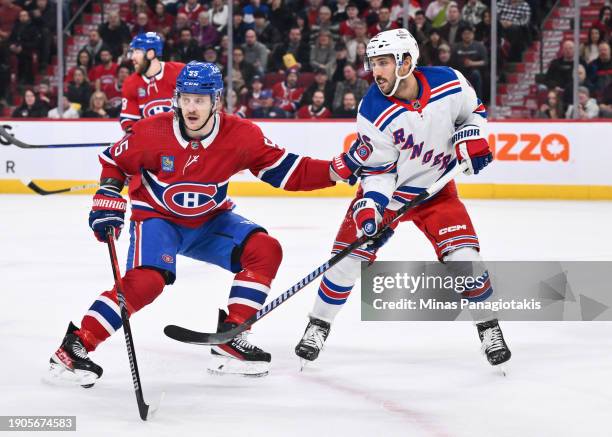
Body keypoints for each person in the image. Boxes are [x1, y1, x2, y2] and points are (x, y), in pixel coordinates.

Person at [47, 61, 366, 384]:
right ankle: (75, 346)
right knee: (146, 283)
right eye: (185, 98)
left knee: (264, 250)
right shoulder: (152, 131)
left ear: (216, 101)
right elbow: (113, 160)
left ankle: (231, 337)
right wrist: (108, 196)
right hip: (158, 219)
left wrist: (336, 169)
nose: (191, 107)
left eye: (199, 100)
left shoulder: (241, 136)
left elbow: (288, 171)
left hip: (210, 220)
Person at [294, 28, 511, 370]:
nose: (375, 71)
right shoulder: (372, 110)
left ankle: (489, 328)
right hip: (390, 197)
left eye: (383, 62)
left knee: (466, 257)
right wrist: (372, 208)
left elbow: (474, 112)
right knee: (346, 261)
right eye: (372, 63)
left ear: (406, 62)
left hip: (437, 190)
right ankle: (318, 325)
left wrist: (473, 140)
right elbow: (378, 170)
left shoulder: (450, 82)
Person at [120, 32, 185, 132]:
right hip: (151, 139)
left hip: (182, 138)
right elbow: (129, 121)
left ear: (150, 54)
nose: (132, 57)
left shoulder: (180, 72)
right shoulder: (130, 83)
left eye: (137, 52)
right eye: (132, 52)